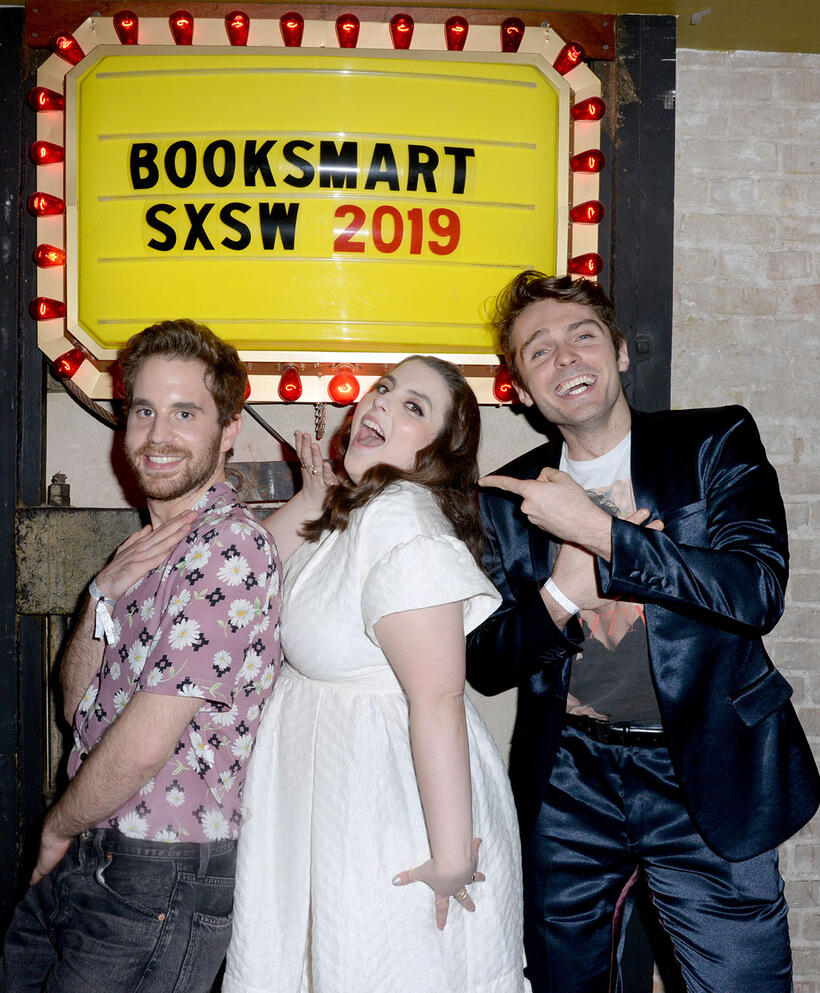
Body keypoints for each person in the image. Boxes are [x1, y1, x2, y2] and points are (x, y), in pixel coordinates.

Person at [466, 271, 820, 993]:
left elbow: (755, 589)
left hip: (703, 767)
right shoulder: (505, 496)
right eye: (539, 351)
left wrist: (601, 536)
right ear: (522, 391)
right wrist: (565, 591)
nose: (565, 358)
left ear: (621, 353)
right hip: (568, 779)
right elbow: (486, 660)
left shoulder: (713, 440)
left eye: (583, 336)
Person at [222, 356, 525, 993]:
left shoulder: (402, 518)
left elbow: (439, 696)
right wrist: (312, 498)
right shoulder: (358, 513)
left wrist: (449, 862)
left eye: (414, 406)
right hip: (337, 796)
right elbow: (243, 584)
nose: (380, 404)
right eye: (384, 389)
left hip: (385, 807)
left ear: (440, 451)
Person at [2, 320, 283, 993]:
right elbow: (77, 703)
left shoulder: (227, 549)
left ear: (230, 427)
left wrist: (55, 825)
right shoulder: (150, 550)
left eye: (186, 412)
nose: (158, 435)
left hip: (160, 869)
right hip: (102, 849)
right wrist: (99, 594)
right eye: (144, 410)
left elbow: (146, 741)